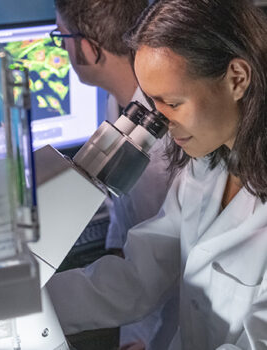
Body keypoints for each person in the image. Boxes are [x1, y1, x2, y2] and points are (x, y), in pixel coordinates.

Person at [47, 0, 267, 349]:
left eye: (173, 103)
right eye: (151, 102)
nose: (161, 121)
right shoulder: (205, 165)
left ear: (236, 79)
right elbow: (140, 275)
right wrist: (31, 304)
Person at [50, 1, 172, 349]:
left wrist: (34, 303)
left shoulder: (170, 137)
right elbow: (128, 216)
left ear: (88, 48)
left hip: (168, 317)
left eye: (62, 38)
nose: (64, 47)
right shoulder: (121, 104)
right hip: (136, 303)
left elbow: (153, 272)